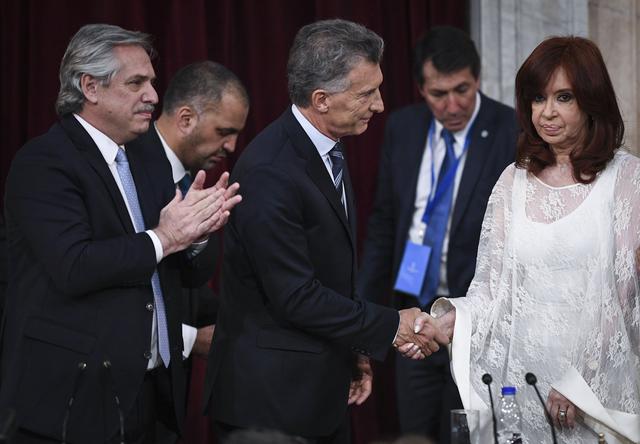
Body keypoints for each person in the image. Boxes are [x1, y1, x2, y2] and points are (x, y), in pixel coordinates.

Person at [203, 19, 449, 444]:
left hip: (318, 392)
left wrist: (352, 348)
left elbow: (330, 270)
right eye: (366, 93)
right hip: (270, 408)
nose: (379, 105)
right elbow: (295, 295)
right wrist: (391, 325)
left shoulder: (326, 149)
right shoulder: (270, 169)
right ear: (321, 99)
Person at [0, 24, 240, 443]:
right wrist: (165, 237)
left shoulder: (147, 162)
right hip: (74, 403)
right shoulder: (44, 161)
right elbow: (74, 266)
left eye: (151, 82)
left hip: (154, 396)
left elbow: (188, 276)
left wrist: (196, 234)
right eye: (136, 83)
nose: (152, 95)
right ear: (90, 87)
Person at [433, 36, 640, 443]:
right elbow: (490, 291)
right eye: (537, 98)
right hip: (521, 382)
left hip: (593, 390)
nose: (547, 113)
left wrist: (580, 382)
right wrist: (448, 320)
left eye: (564, 97)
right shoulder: (514, 180)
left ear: (591, 100)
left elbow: (627, 294)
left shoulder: (628, 179)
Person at [357, 26, 517, 442]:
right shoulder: (403, 128)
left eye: (462, 90)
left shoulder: (509, 130)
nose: (452, 105)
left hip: (479, 326)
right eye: (438, 94)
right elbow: (384, 222)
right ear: (420, 89)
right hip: (415, 316)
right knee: (416, 432)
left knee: (469, 435)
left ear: (477, 79)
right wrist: (365, 311)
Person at [127, 60, 249, 360]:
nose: (232, 146)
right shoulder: (125, 165)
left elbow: (186, 282)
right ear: (185, 119)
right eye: (224, 131)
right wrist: (189, 338)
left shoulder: (192, 180)